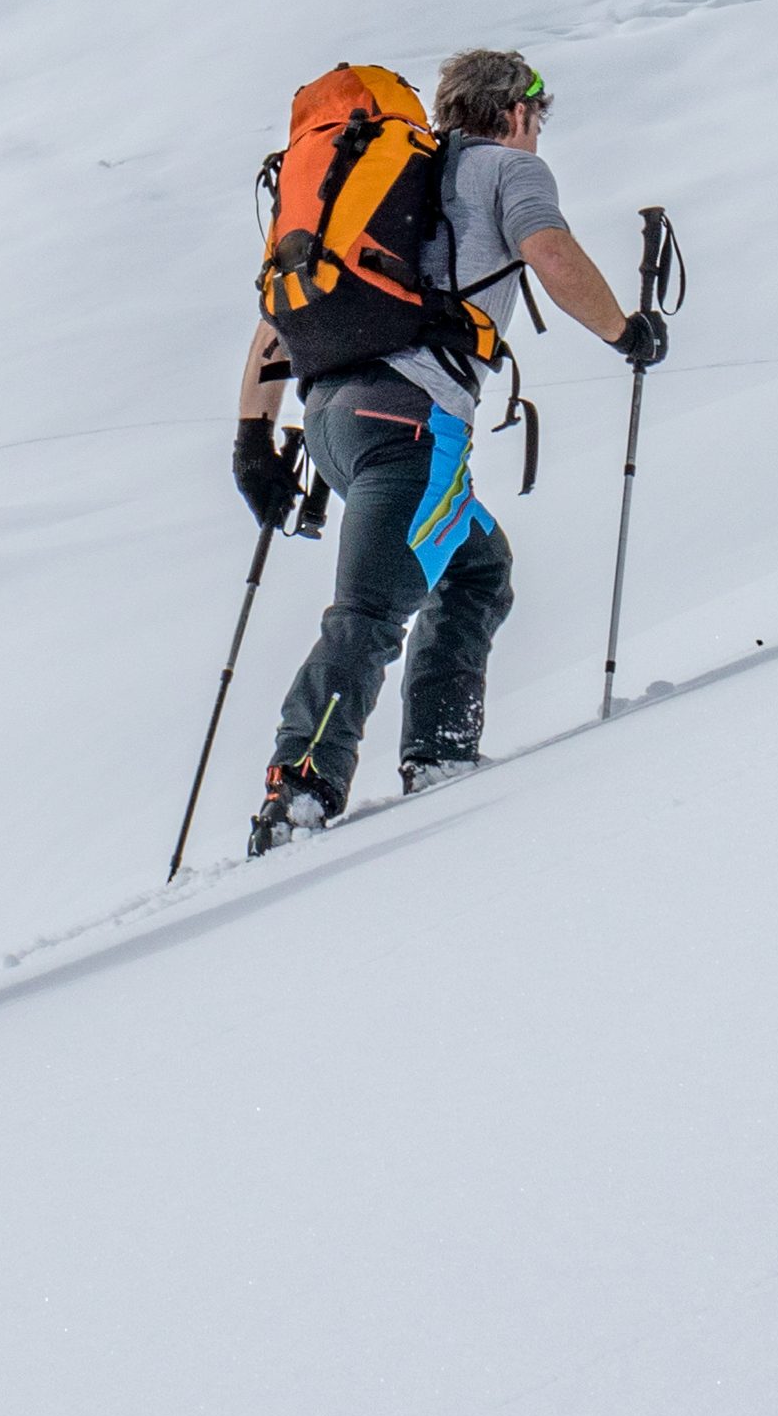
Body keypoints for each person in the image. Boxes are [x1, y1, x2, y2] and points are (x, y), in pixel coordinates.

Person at [232, 48, 663, 851]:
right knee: (369, 613)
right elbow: (551, 254)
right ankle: (299, 789)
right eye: (537, 116)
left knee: (474, 566)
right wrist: (624, 331)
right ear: (518, 111)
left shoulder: (381, 187)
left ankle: (439, 754)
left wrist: (252, 443)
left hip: (332, 420)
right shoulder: (506, 169)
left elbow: (275, 318)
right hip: (412, 425)